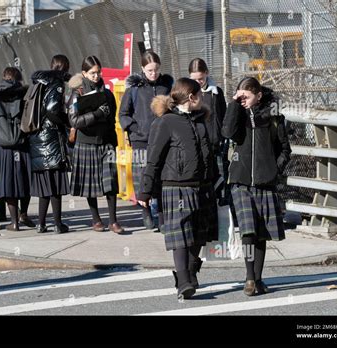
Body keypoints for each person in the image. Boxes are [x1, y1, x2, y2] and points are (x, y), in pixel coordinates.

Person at [137, 78, 218, 299]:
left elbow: (209, 154)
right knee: (180, 235)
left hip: (202, 185)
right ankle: (183, 281)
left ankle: (191, 271)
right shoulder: (166, 122)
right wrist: (145, 191)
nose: (203, 98)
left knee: (199, 235)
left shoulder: (202, 120)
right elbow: (153, 159)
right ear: (191, 98)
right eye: (200, 95)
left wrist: (216, 180)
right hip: (175, 186)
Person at [221, 77, 291, 296]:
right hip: (241, 182)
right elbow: (227, 132)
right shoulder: (237, 114)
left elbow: (285, 149)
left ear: (259, 96)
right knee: (248, 232)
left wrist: (274, 169)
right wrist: (234, 104)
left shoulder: (274, 117)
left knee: (261, 233)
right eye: (239, 96)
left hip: (265, 182)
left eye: (246, 96)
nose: (243, 100)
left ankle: (258, 279)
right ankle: (249, 278)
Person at [68, 56, 124, 234]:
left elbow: (113, 114)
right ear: (84, 73)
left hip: (106, 142)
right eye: (92, 73)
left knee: (111, 183)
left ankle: (113, 221)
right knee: (90, 183)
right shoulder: (78, 93)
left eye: (98, 72)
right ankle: (96, 219)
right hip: (86, 143)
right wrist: (97, 114)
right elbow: (74, 120)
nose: (96, 76)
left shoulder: (107, 92)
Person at [119, 51, 173, 231]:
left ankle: (163, 216)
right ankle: (146, 211)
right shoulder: (134, 89)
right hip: (141, 141)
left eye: (156, 69)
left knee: (161, 177)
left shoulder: (167, 86)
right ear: (142, 68)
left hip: (163, 139)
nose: (153, 73)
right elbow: (123, 114)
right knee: (142, 178)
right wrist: (135, 130)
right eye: (149, 70)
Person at [0, 67, 35, 231]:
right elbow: (30, 121)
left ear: (3, 78)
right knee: (24, 180)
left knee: (7, 183)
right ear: (18, 79)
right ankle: (24, 214)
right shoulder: (25, 94)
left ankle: (14, 222)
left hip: (2, 148)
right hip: (22, 146)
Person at [29, 55, 71, 234]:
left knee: (45, 186)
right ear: (65, 68)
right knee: (56, 185)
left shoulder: (38, 82)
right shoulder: (57, 83)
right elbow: (53, 109)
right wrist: (66, 121)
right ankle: (57, 224)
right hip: (52, 138)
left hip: (38, 137)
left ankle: (41, 223)